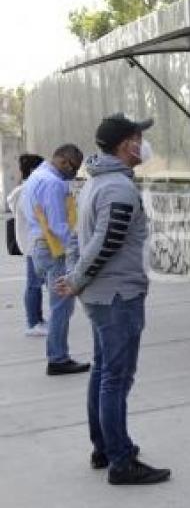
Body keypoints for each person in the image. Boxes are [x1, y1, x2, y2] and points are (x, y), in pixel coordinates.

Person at [55, 113, 171, 485]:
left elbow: (77, 239)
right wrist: (75, 279)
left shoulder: (95, 181)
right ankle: (120, 461)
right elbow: (105, 243)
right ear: (127, 145)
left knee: (104, 372)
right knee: (116, 379)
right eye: (139, 137)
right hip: (118, 296)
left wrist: (76, 277)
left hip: (101, 295)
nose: (143, 145)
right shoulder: (118, 188)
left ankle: (105, 446)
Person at [23, 144, 89, 375]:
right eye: (74, 168)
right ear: (64, 161)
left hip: (40, 246)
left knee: (58, 304)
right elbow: (58, 225)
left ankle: (57, 356)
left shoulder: (36, 176)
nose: (74, 174)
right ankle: (58, 359)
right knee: (62, 306)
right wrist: (77, 252)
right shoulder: (54, 183)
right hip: (53, 249)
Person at [7, 153, 47, 336]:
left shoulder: (23, 190)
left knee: (35, 283)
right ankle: (33, 323)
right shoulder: (28, 192)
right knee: (34, 284)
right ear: (34, 170)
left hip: (32, 243)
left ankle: (36, 319)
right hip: (34, 243)